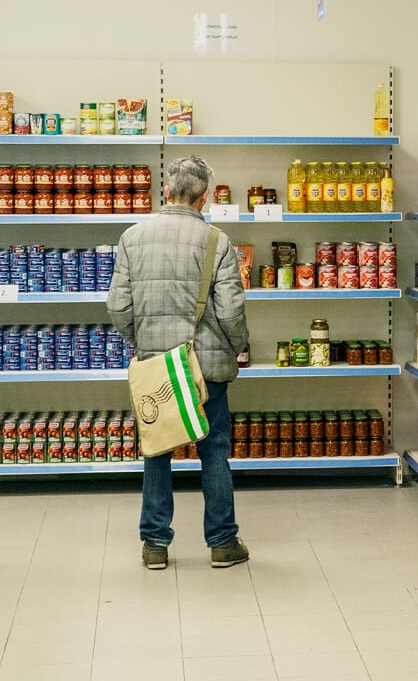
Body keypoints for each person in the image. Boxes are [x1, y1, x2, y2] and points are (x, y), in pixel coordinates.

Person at [108, 155, 250, 570]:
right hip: (205, 369)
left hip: (157, 365)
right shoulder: (216, 242)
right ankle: (222, 542)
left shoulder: (132, 237)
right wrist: (239, 346)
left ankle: (154, 544)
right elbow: (230, 312)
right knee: (214, 451)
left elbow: (117, 306)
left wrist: (142, 340)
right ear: (204, 198)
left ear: (165, 192)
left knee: (156, 451)